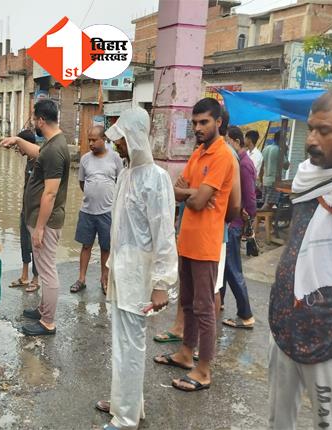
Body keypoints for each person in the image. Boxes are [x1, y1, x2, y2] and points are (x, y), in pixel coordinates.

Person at [268, 87, 332, 429]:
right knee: (278, 421)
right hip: (285, 323)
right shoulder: (310, 174)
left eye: (326, 130)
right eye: (312, 128)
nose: (312, 140)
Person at [95, 107, 177, 430]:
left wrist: (162, 283)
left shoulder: (156, 180)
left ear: (136, 138)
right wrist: (108, 266)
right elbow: (121, 231)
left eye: (122, 140)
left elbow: (164, 235)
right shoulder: (126, 175)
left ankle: (125, 419)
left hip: (140, 275)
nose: (117, 145)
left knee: (131, 345)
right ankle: (125, 404)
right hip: (122, 272)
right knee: (121, 343)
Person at [153, 98, 235, 392]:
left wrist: (191, 194)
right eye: (195, 122)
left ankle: (203, 370)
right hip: (186, 239)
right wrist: (192, 191)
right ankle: (186, 354)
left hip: (206, 244)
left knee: (204, 309)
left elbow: (200, 202)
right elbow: (176, 192)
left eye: (204, 122)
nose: (198, 128)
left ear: (219, 122)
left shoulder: (222, 156)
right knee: (186, 303)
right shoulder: (199, 153)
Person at [0, 99, 70, 336]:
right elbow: (38, 152)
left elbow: (49, 194)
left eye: (34, 119)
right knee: (43, 265)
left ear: (41, 120)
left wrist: (39, 228)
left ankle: (48, 322)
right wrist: (18, 140)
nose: (34, 123)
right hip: (41, 220)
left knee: (47, 271)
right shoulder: (53, 144)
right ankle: (43, 310)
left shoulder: (55, 149)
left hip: (46, 222)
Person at [69, 125, 123, 295]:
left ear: (103, 139)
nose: (91, 143)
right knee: (86, 246)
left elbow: (121, 182)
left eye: (94, 140)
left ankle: (104, 280)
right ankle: (81, 279)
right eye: (89, 140)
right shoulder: (85, 159)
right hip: (87, 211)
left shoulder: (115, 158)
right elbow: (82, 183)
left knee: (106, 248)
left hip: (107, 212)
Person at [220, 126, 256, 329]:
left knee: (233, 269)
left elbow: (250, 198)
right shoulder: (239, 161)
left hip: (235, 222)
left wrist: (246, 220)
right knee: (225, 267)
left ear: (234, 141)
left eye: (227, 142)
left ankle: (246, 315)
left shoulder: (243, 164)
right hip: (232, 221)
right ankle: (220, 301)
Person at [9, 129, 39, 293]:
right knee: (24, 243)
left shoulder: (40, 162)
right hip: (25, 209)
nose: (18, 149)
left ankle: (35, 279)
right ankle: (24, 275)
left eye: (19, 145)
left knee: (36, 247)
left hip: (36, 212)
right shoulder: (29, 161)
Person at [260, 130, 288, 211]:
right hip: (274, 182)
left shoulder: (266, 148)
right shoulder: (279, 150)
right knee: (268, 205)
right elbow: (286, 166)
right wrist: (285, 152)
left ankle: (259, 221)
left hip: (265, 180)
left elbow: (261, 167)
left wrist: (261, 180)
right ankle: (255, 220)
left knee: (268, 204)